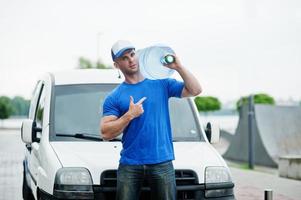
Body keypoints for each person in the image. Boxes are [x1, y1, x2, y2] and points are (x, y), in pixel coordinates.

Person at [100, 40, 202, 200]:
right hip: (130, 163)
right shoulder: (114, 97)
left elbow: (195, 90)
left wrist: (178, 67)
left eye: (132, 54)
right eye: (125, 58)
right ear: (116, 65)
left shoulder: (160, 83)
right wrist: (129, 115)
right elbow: (105, 132)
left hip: (162, 161)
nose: (131, 60)